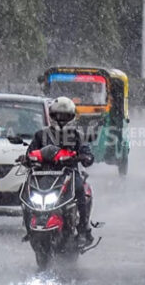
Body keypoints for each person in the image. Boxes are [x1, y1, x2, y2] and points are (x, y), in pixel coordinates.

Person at [27, 96, 95, 246]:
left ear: (71, 117)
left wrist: (86, 157)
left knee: (80, 191)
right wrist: (26, 159)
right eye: (57, 115)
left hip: (69, 174)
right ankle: (28, 227)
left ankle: (83, 230)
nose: (61, 119)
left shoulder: (77, 135)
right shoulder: (41, 135)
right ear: (51, 115)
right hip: (44, 174)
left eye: (65, 116)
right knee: (25, 192)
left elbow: (87, 152)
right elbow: (31, 151)